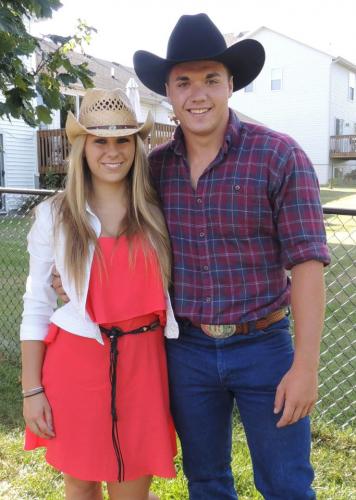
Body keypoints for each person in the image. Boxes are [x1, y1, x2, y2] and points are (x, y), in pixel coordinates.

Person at [132, 13, 331, 500]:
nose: (198, 93)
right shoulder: (153, 170)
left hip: (264, 346)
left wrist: (305, 366)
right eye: (184, 82)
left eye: (210, 80)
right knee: (206, 481)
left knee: (286, 485)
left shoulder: (279, 156)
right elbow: (112, 233)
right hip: (187, 351)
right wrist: (64, 271)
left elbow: (307, 264)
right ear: (169, 93)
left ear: (230, 85)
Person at [20, 87, 178, 500]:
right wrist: (32, 389)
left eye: (123, 139)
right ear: (82, 147)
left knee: (132, 488)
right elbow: (36, 304)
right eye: (100, 140)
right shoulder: (54, 216)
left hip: (144, 367)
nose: (113, 151)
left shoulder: (160, 210)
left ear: (136, 145)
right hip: (75, 365)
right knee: (81, 483)